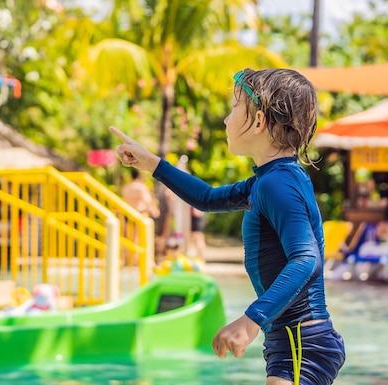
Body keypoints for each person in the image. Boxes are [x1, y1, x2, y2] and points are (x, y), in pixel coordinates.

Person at [110, 68, 345, 385]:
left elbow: (305, 259)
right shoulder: (267, 180)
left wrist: (251, 321)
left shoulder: (278, 184)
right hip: (290, 338)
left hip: (301, 339)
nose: (225, 119)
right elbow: (206, 198)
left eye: (234, 107)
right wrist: (151, 162)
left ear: (260, 121)